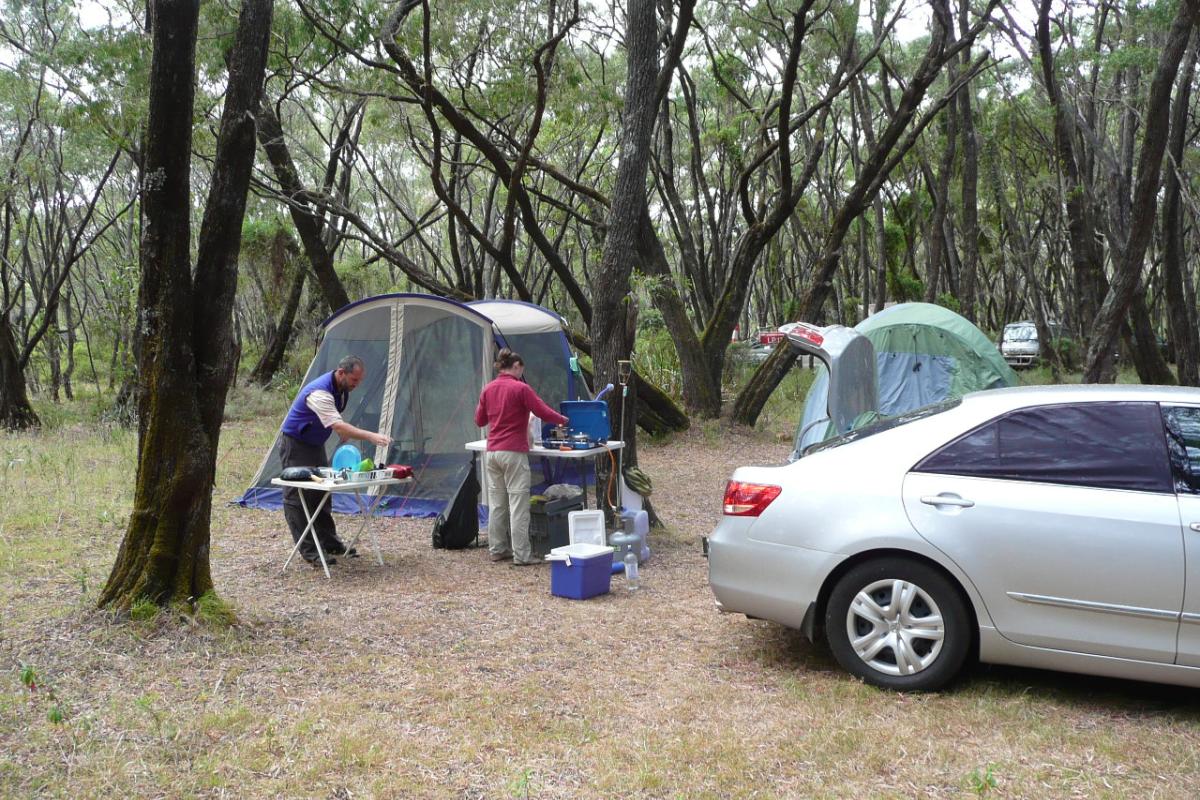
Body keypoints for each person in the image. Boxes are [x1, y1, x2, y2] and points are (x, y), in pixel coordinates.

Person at [280, 355, 392, 566]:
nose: (356, 385)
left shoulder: (341, 389)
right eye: (354, 380)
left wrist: (341, 431)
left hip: (315, 445)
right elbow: (338, 425)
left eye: (359, 381)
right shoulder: (320, 392)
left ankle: (330, 542)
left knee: (321, 492)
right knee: (297, 497)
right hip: (295, 444)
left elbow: (334, 420)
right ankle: (310, 552)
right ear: (341, 372)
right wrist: (371, 436)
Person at [475, 348, 569, 566]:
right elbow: (543, 411)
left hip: (492, 453)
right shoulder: (520, 388)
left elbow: (479, 421)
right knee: (518, 504)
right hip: (513, 453)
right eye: (521, 370)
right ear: (516, 366)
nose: (521, 374)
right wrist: (563, 419)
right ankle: (522, 555)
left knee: (497, 504)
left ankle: (497, 549)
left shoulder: (488, 389)